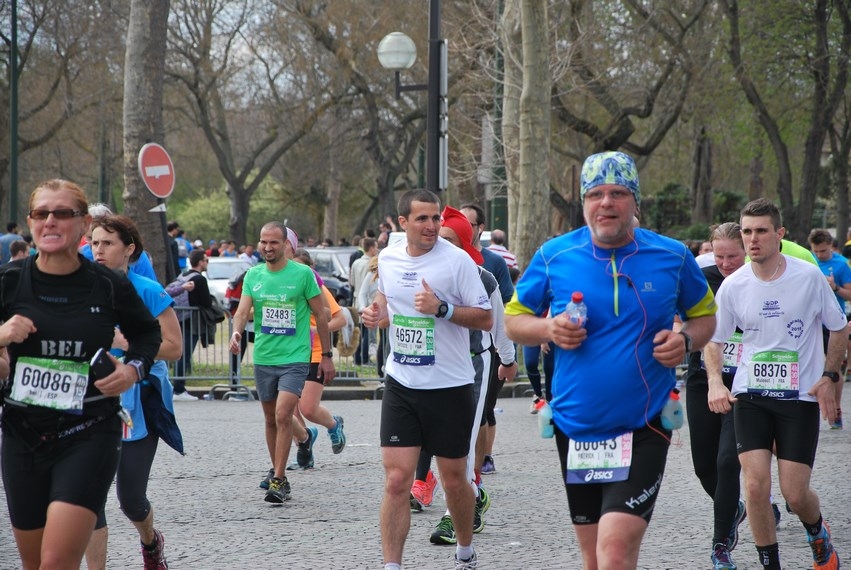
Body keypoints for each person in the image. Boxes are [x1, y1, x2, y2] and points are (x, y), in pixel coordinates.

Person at [504, 151, 717, 570]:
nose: (606, 203)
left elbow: (705, 318)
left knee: (614, 550)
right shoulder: (554, 255)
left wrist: (685, 339)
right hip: (575, 427)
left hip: (646, 422)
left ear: (635, 201)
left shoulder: (672, 256)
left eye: (618, 193)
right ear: (583, 202)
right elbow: (513, 320)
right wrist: (548, 329)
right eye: (596, 194)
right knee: (594, 556)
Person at [0, 179, 161, 569]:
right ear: (31, 222)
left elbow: (148, 334)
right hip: (23, 436)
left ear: (84, 224)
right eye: (42, 214)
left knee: (57, 562)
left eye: (62, 213)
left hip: (88, 432)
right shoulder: (9, 282)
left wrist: (133, 371)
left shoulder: (107, 284)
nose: (50, 222)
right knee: (35, 563)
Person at [705, 199, 845, 570]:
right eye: (747, 231)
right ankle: (771, 565)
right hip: (750, 396)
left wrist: (830, 377)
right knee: (754, 487)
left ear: (779, 235)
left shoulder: (807, 276)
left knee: (795, 494)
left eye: (761, 231)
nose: (753, 239)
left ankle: (817, 533)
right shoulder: (734, 285)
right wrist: (716, 383)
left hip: (798, 397)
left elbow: (840, 327)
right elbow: (713, 339)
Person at [361, 189, 493, 570]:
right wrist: (376, 315)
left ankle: (465, 549)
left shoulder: (456, 263)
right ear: (403, 223)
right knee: (397, 480)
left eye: (435, 218)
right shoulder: (387, 257)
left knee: (454, 481)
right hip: (402, 382)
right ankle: (392, 565)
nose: (432, 226)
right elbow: (387, 304)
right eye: (422, 219)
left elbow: (485, 319)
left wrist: (443, 308)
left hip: (449, 386)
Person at [85, 214, 184, 570]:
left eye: (107, 243)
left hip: (138, 404)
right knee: (89, 498)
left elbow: (174, 347)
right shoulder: (81, 289)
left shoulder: (148, 291)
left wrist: (128, 344)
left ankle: (150, 540)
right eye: (94, 242)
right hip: (90, 401)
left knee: (130, 499)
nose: (99, 250)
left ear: (129, 250)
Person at [419, 205, 516, 546]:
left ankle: (454, 516)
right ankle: (472, 495)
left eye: (448, 238)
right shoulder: (425, 273)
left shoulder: (483, 277)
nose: (440, 243)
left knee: (461, 440)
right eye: (438, 237)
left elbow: (499, 325)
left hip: (476, 365)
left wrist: (508, 358)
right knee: (442, 440)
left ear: (463, 242)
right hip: (436, 368)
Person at [228, 223, 335, 503]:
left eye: (273, 242)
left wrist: (326, 355)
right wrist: (236, 332)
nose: (267, 247)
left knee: (283, 413)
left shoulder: (302, 274)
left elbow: (321, 315)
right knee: (269, 418)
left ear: (286, 245)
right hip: (264, 356)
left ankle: (278, 479)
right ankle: (279, 472)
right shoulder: (253, 275)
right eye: (263, 242)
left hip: (295, 357)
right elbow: (242, 310)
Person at [683, 222, 748, 569]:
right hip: (702, 376)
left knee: (727, 461)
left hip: (744, 381)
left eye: (732, 256)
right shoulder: (701, 277)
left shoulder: (758, 279)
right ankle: (735, 507)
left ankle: (720, 544)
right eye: (719, 255)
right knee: (704, 465)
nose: (725, 263)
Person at [285, 247, 347, 472]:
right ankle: (304, 452)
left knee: (308, 408)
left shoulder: (316, 287)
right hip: (290, 353)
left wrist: (315, 329)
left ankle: (333, 423)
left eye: (301, 268)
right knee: (287, 408)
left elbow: (341, 319)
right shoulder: (284, 286)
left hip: (316, 352)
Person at [808, 227, 851, 429]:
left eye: (823, 251)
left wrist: (834, 287)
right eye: (815, 251)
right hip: (809, 321)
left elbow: (849, 295)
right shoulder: (807, 261)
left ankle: (836, 410)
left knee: (833, 367)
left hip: (832, 323)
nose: (819, 255)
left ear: (831, 246)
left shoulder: (842, 265)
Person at [173, 249, 212, 399]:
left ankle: (177, 386)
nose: (207, 263)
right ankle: (179, 389)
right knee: (185, 354)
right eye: (206, 260)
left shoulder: (183, 275)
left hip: (180, 317)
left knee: (181, 353)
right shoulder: (199, 279)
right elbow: (206, 302)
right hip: (193, 320)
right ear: (200, 262)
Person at [350, 237, 378, 366]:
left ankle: (357, 358)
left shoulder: (356, 263)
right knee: (367, 332)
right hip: (368, 300)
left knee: (358, 331)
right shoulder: (371, 265)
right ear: (371, 248)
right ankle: (365, 358)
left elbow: (351, 282)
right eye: (376, 247)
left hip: (357, 300)